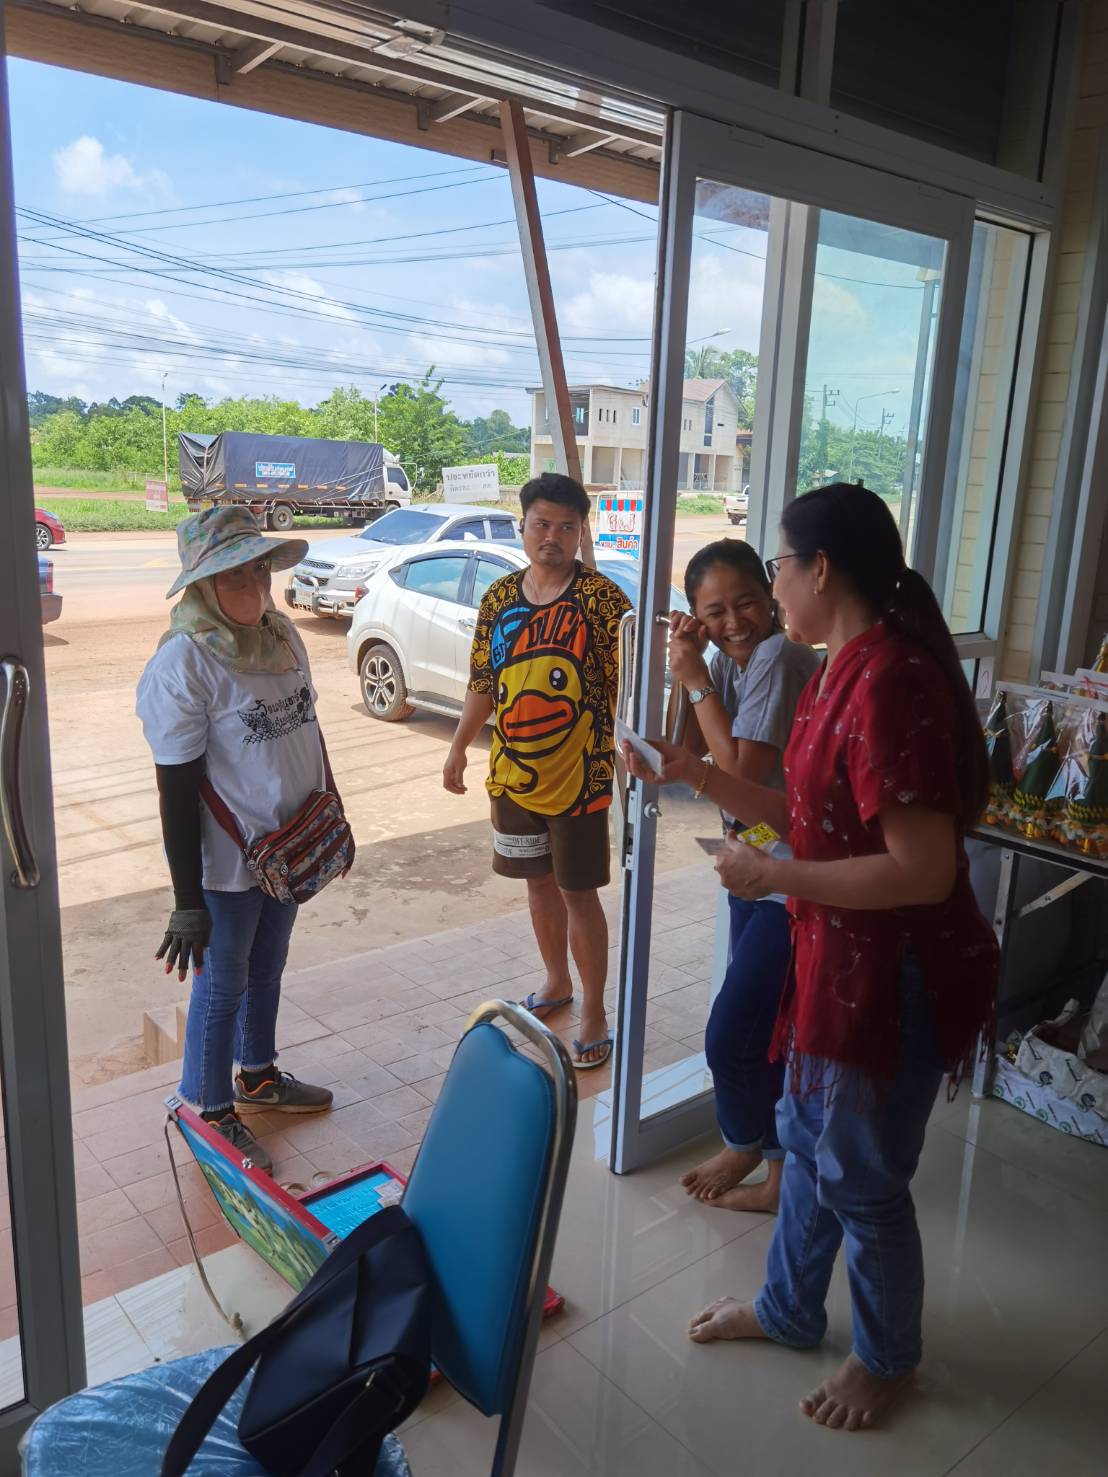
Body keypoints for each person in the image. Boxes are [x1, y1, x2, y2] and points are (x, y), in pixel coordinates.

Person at [624, 483, 998, 1431]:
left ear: (819, 569)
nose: (771, 588)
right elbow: (809, 815)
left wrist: (770, 879)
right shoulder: (838, 667)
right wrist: (693, 772)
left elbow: (923, 869)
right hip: (834, 964)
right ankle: (791, 1307)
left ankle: (885, 1356)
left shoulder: (893, 683)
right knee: (802, 1135)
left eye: (778, 568)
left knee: (862, 1177)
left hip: (891, 979)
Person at [137, 506, 336, 1175]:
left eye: (260, 570)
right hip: (227, 860)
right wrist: (185, 898)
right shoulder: (185, 663)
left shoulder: (281, 635)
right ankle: (208, 1105)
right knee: (223, 983)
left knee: (267, 966)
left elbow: (304, 729)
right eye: (236, 575)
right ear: (203, 585)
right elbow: (175, 784)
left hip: (288, 848)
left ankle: (257, 1074)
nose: (255, 587)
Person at [443, 472, 631, 1070]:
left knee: (580, 893)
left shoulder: (603, 602)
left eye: (566, 527)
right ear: (522, 526)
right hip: (513, 776)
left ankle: (596, 1009)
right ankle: (556, 982)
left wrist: (636, 750)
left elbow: (627, 688)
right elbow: (484, 683)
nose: (552, 536)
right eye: (541, 524)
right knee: (537, 883)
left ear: (581, 534)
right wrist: (457, 747)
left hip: (581, 778)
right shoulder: (499, 598)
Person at [668, 541, 820, 1212]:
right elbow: (692, 745)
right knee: (767, 1027)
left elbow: (742, 773)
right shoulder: (733, 661)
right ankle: (777, 1172)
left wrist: (697, 680)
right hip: (755, 867)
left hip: (798, 878)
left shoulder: (779, 657)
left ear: (771, 592)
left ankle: (747, 1144)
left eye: (747, 602)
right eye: (714, 611)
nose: (734, 620)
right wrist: (685, 669)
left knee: (733, 1031)